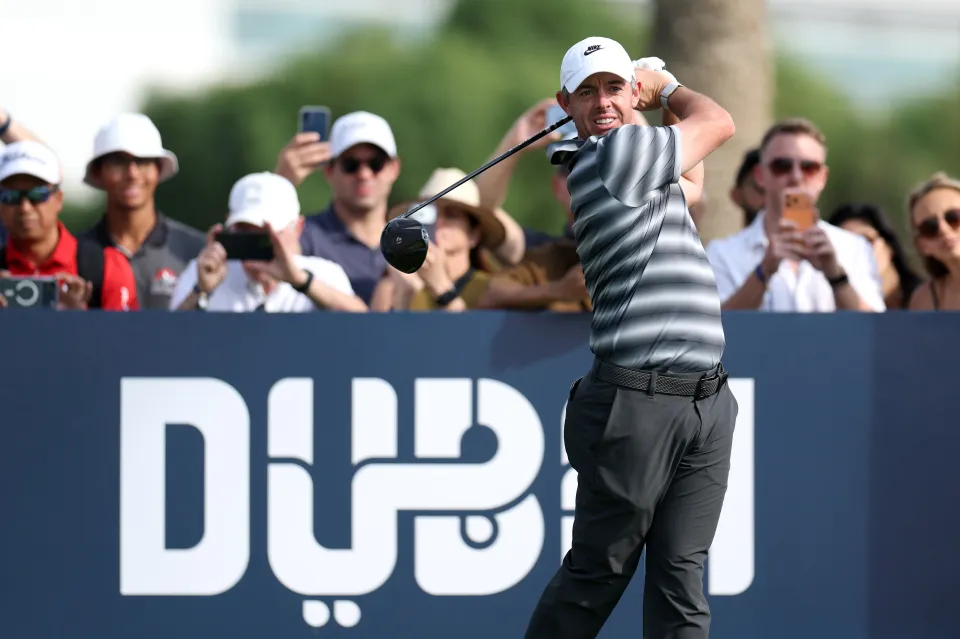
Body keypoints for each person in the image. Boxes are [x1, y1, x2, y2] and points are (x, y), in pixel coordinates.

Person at [523, 37, 738, 639]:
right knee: (600, 572)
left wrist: (651, 99)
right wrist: (664, 87)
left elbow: (692, 183)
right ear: (566, 103)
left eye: (613, 87)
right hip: (635, 403)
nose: (602, 103)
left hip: (705, 401)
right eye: (586, 93)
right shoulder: (614, 155)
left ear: (628, 95)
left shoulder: (639, 165)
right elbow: (717, 122)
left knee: (681, 579)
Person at [704, 118, 884, 312]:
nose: (796, 176)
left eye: (809, 167)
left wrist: (835, 275)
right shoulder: (722, 254)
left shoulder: (855, 248)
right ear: (760, 176)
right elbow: (715, 328)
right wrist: (763, 271)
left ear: (822, 178)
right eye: (782, 166)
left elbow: (873, 332)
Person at [169, 172, 364, 312]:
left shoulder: (323, 274)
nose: (256, 243)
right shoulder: (203, 273)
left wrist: (301, 282)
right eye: (244, 231)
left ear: (297, 228)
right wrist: (201, 290)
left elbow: (364, 324)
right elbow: (169, 340)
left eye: (267, 234)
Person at [79, 113, 206, 310]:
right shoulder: (77, 254)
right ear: (98, 171)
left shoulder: (195, 251)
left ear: (158, 169)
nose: (132, 173)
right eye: (118, 161)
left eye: (143, 161)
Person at [0, 141, 138, 310]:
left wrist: (77, 320)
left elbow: (125, 335)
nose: (24, 207)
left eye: (37, 195)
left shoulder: (106, 266)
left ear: (58, 199)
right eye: (11, 196)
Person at [373, 168, 506, 311]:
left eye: (451, 215)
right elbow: (386, 332)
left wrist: (441, 287)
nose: (439, 222)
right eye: (430, 214)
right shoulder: (393, 286)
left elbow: (474, 332)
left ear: (474, 235)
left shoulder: (490, 288)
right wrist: (403, 296)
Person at [827, 202, 922, 310]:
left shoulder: (924, 297)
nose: (857, 252)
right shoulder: (831, 304)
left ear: (888, 246)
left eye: (866, 241)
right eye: (845, 247)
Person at [904, 171, 960, 310]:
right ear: (922, 245)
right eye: (930, 227)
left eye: (954, 217)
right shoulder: (924, 301)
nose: (943, 229)